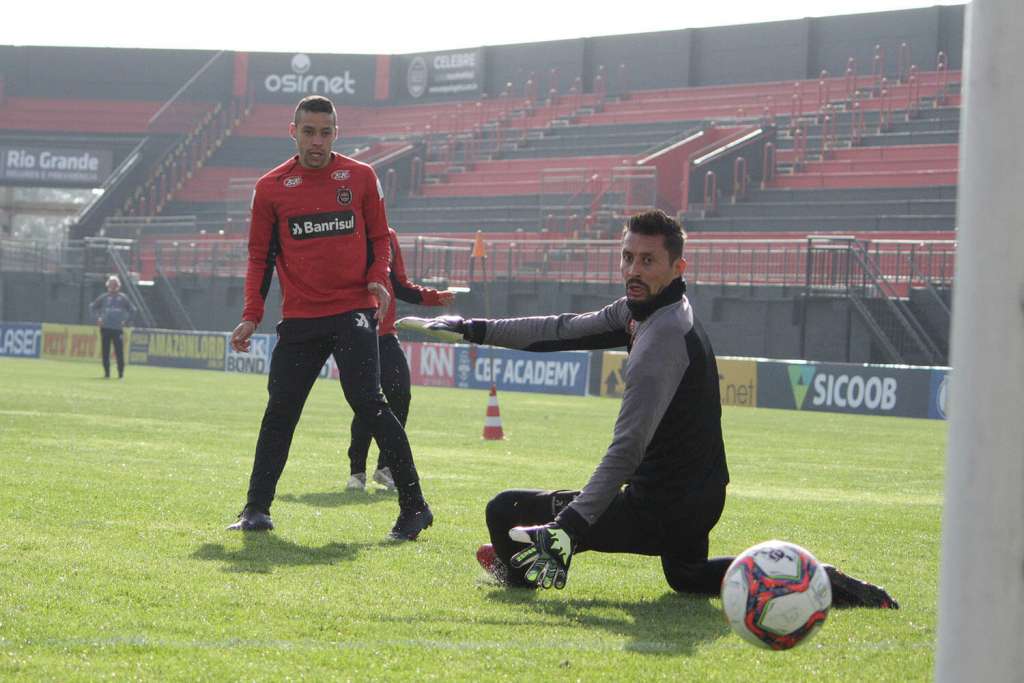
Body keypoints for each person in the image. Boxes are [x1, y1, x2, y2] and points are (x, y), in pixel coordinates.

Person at [421, 210, 898, 607]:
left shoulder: (660, 341)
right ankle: (815, 577)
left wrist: (567, 528)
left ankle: (517, 571)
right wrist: (473, 328)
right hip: (701, 495)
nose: (634, 269)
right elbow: (562, 329)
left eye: (648, 260)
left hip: (662, 506)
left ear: (677, 267)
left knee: (506, 508)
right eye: (628, 257)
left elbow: (625, 451)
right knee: (688, 577)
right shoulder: (646, 310)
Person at [227, 95, 433, 541]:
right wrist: (250, 316)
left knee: (370, 404)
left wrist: (378, 278)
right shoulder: (270, 187)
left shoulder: (360, 177)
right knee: (279, 411)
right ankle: (256, 510)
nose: (316, 141)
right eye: (308, 131)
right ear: (293, 131)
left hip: (352, 314)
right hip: (300, 320)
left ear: (336, 133)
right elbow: (259, 258)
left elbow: (381, 239)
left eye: (325, 132)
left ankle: (415, 506)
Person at [346, 227, 456, 491]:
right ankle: (357, 472)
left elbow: (398, 285)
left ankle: (385, 467)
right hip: (355, 329)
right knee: (367, 400)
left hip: (384, 332)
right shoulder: (346, 230)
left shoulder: (388, 235)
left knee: (400, 394)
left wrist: (432, 297)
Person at [90, 274, 134, 379]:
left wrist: (126, 321)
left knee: (119, 352)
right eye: (111, 284)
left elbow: (132, 310)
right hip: (105, 328)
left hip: (117, 329)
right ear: (108, 285)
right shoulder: (104, 297)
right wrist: (98, 319)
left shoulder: (123, 298)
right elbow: (92, 307)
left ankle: (120, 374)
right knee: (105, 351)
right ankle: (107, 373)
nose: (112, 286)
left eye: (114, 284)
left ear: (118, 285)